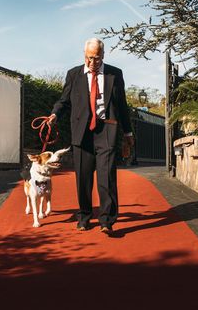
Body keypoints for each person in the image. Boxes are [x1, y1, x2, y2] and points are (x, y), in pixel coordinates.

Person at [48, 38, 134, 236]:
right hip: (82, 132)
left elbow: (122, 106)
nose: (92, 62)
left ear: (103, 55)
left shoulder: (115, 74)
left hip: (106, 130)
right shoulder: (74, 74)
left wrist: (128, 133)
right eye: (88, 58)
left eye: (96, 58)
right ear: (84, 55)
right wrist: (54, 114)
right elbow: (63, 101)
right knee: (83, 179)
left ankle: (107, 220)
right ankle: (84, 217)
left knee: (107, 178)